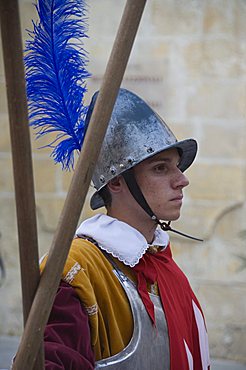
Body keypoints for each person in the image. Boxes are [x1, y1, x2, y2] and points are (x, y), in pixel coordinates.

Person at [40, 88, 210, 370]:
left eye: (177, 167)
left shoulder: (163, 266)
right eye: (160, 168)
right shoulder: (75, 269)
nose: (182, 180)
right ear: (117, 182)